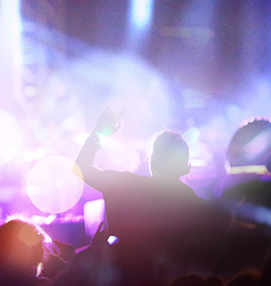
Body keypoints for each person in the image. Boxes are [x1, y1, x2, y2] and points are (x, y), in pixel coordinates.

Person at [73, 109, 210, 273]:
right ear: (185, 166)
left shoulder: (126, 185)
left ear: (152, 159)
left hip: (124, 282)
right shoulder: (194, 204)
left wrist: (98, 133)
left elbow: (81, 168)